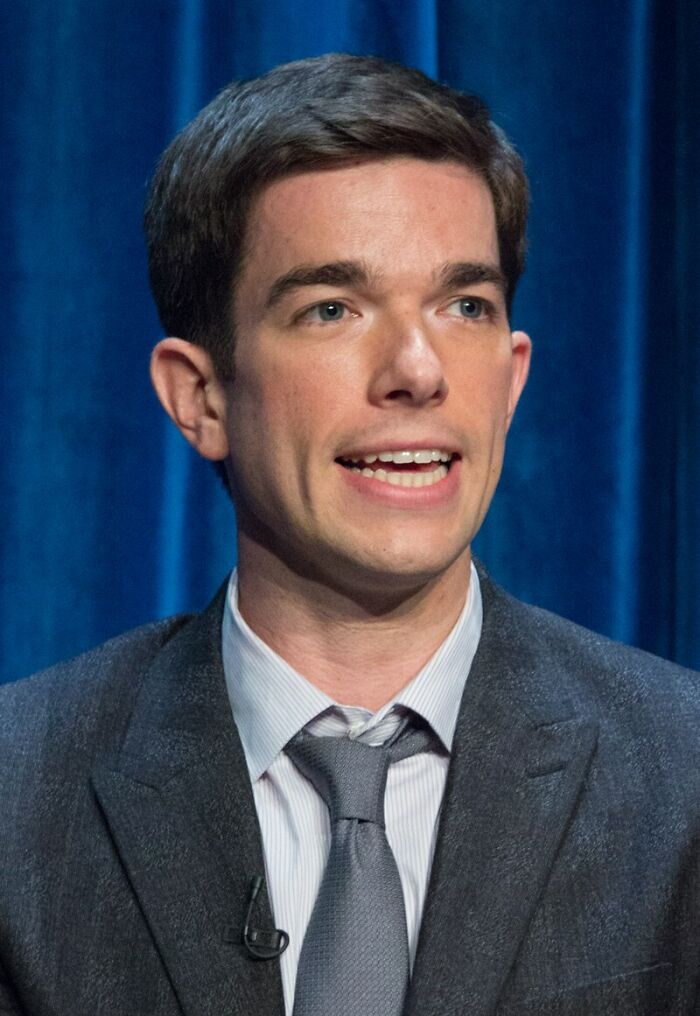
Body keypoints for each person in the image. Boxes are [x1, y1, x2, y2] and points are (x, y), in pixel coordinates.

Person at [1, 53, 699, 1016]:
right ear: (200, 398)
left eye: (466, 307)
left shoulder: (684, 775)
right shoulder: (17, 795)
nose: (418, 370)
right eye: (333, 308)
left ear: (512, 376)